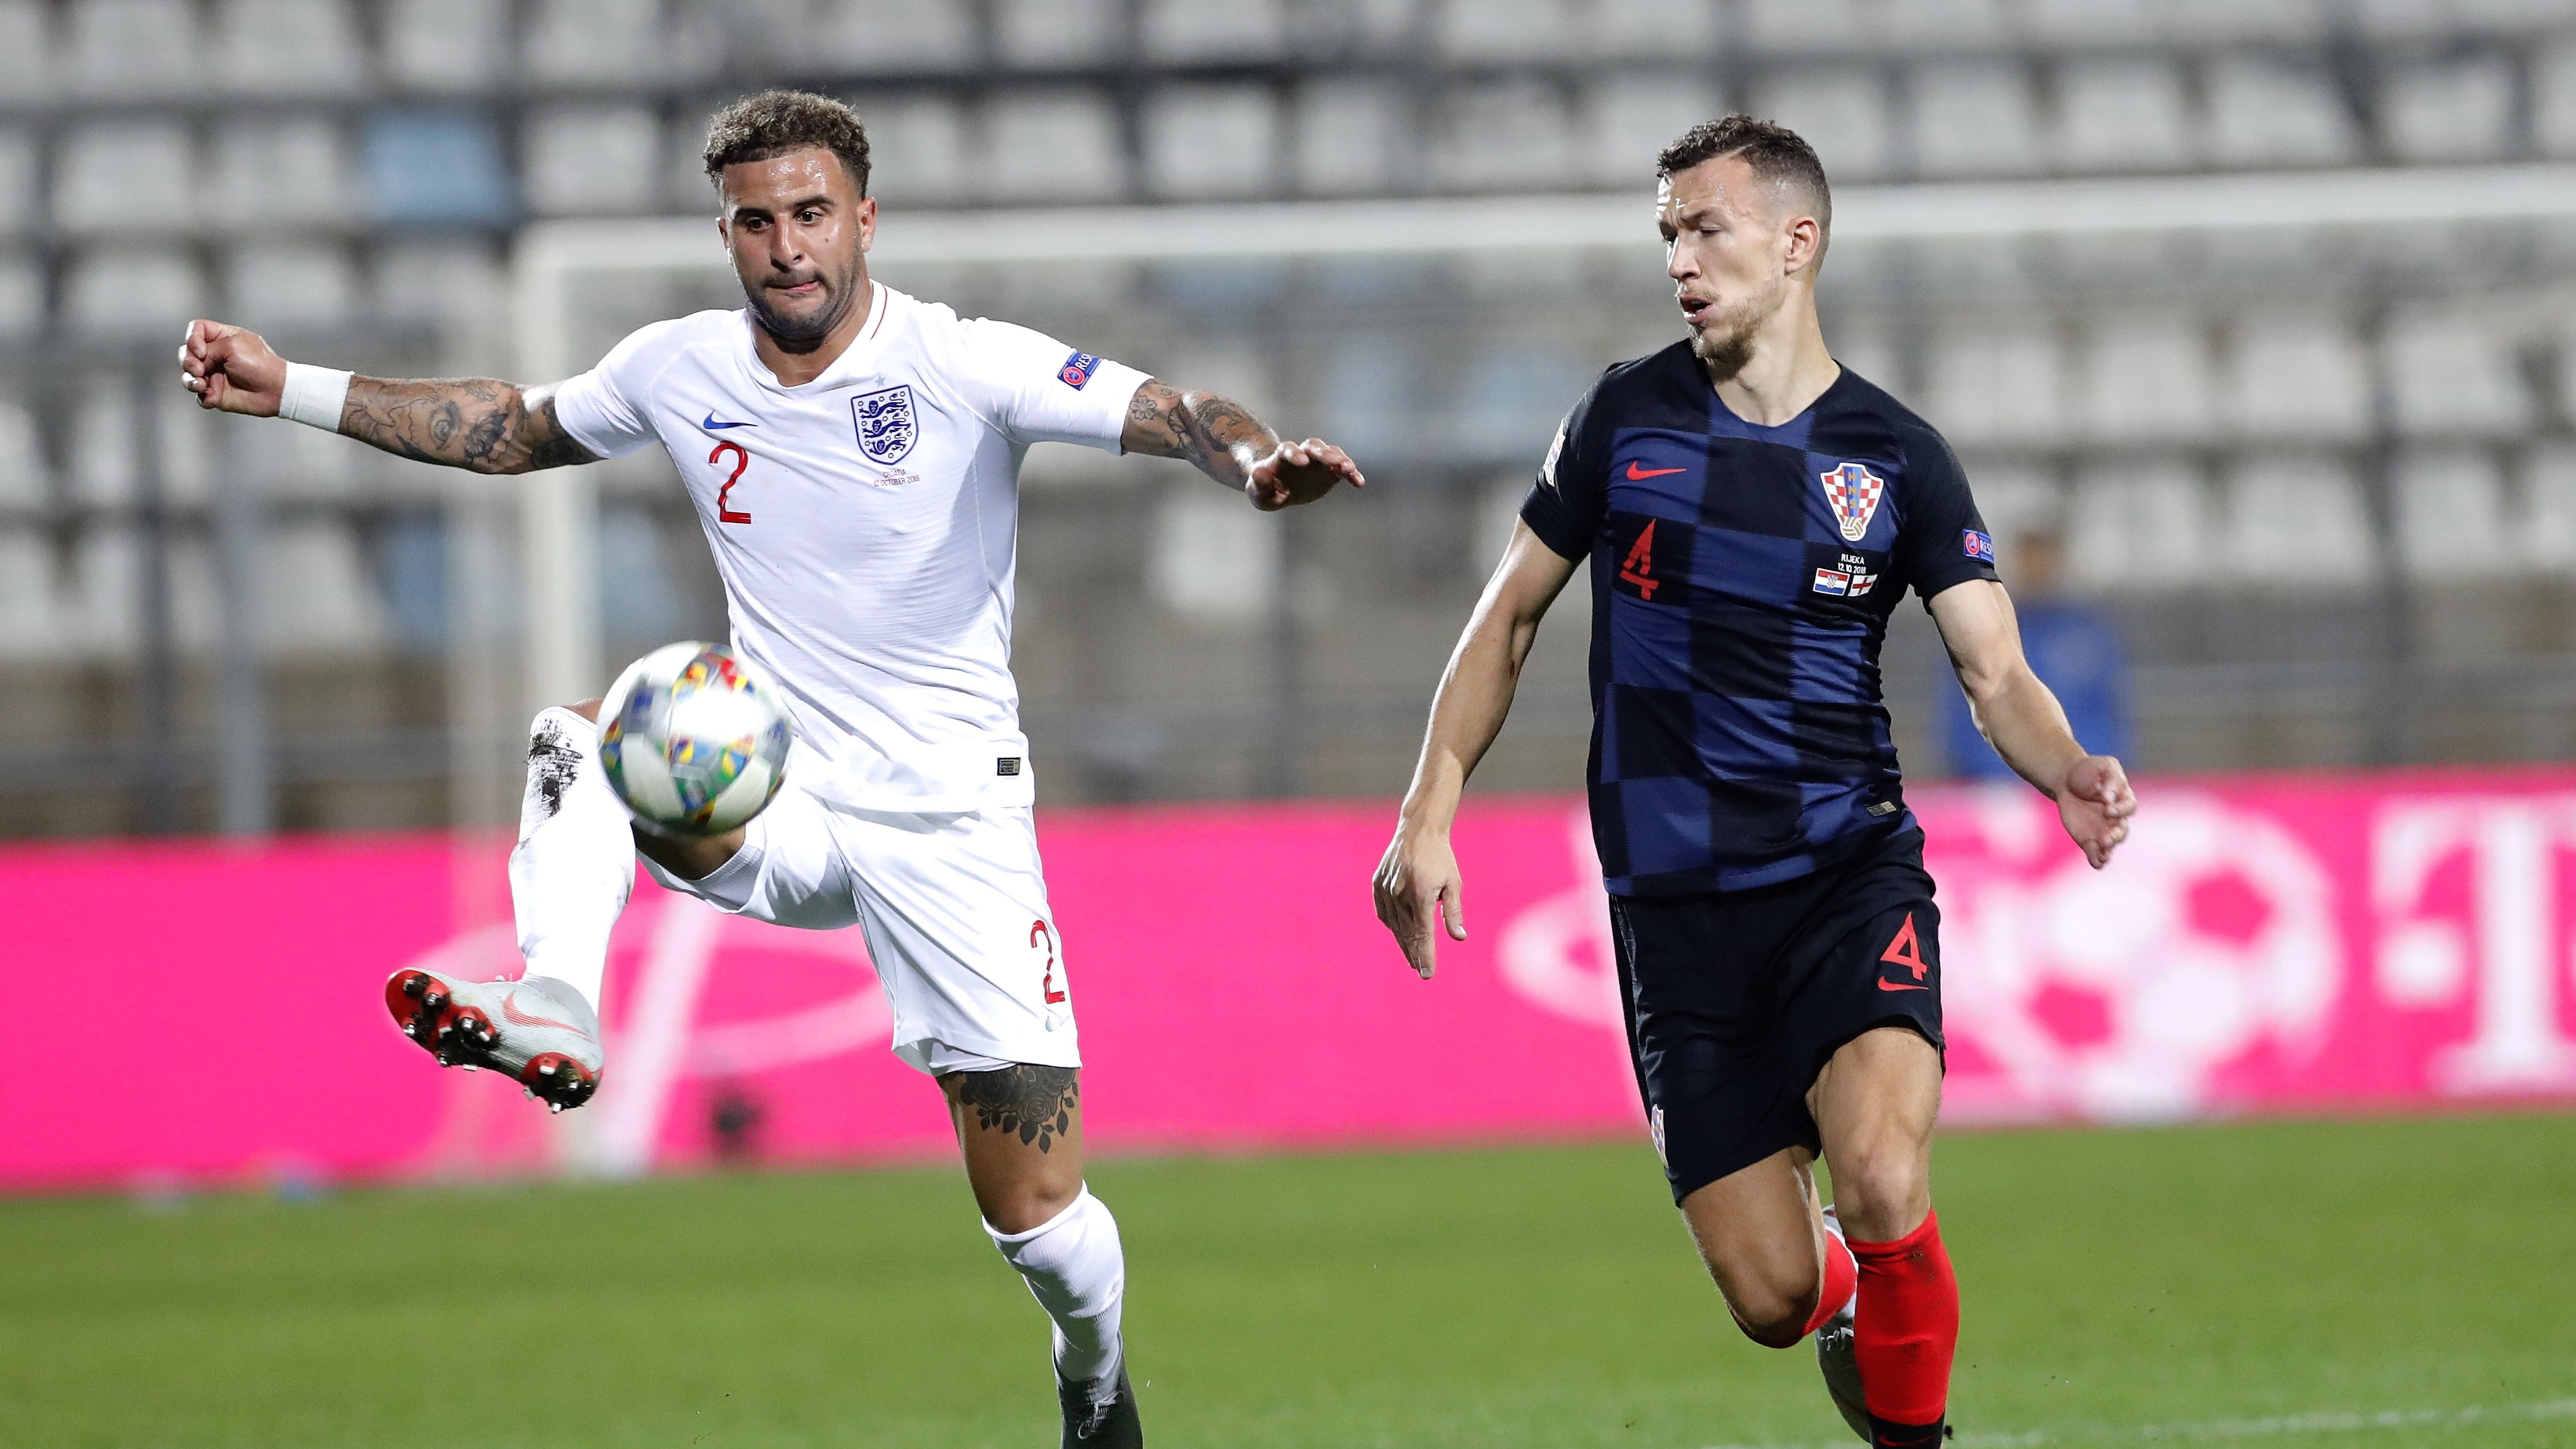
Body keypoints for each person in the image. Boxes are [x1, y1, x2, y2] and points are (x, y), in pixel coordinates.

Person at [180, 89, 1364, 1449]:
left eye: (811, 214)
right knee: (592, 726)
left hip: (949, 820)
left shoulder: (960, 361)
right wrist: (294, 389)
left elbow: (1169, 408)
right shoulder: (679, 366)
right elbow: (511, 425)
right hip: (771, 785)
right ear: (725, 233)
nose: (786, 246)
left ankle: (1092, 1378)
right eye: (756, 222)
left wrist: (1254, 462)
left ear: (865, 219)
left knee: (1037, 1222)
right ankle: (558, 1001)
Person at [1369, 116, 2133, 1448]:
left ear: (1795, 242)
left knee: (1882, 1174)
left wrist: (2063, 766)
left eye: (1704, 228)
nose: (1677, 256)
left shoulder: (1894, 454)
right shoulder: (1622, 417)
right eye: (1666, 232)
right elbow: (1505, 618)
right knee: (1776, 1297)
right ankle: (1845, 1303)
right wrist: (1426, 807)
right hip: (1673, 913)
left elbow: (1994, 668)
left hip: (1844, 875)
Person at [1940, 527, 2132, 780]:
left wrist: (2087, 770)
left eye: (2043, 560)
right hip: (1996, 785)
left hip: (2078, 780)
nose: (2036, 570)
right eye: (2029, 560)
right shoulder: (1982, 629)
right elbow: (1962, 717)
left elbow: (2109, 716)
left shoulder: (2087, 634)